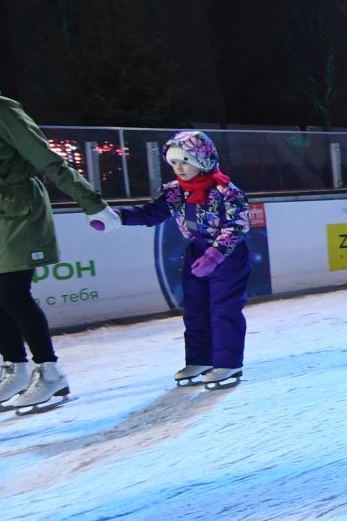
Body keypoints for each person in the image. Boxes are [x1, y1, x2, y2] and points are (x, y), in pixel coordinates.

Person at [0, 74, 121, 413]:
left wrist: (91, 202)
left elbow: (47, 159)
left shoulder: (2, 111)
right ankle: (16, 369)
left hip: (19, 211)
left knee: (11, 293)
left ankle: (50, 372)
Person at [100, 131, 252, 391]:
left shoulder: (226, 191)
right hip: (196, 252)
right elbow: (151, 213)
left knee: (223, 309)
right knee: (195, 310)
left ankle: (228, 363)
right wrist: (117, 217)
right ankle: (200, 360)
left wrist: (214, 255)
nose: (179, 168)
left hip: (227, 256)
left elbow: (237, 226)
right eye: (173, 162)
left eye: (185, 161)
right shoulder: (175, 193)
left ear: (203, 159)